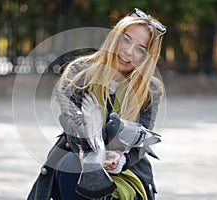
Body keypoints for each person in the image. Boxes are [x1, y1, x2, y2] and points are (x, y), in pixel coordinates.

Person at [28, 7, 166, 200]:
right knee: (70, 165)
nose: (128, 51)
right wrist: (94, 155)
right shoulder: (79, 73)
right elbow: (71, 123)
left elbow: (141, 144)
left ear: (147, 57)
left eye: (140, 49)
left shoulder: (150, 90)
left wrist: (119, 159)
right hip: (80, 160)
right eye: (125, 39)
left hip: (126, 173)